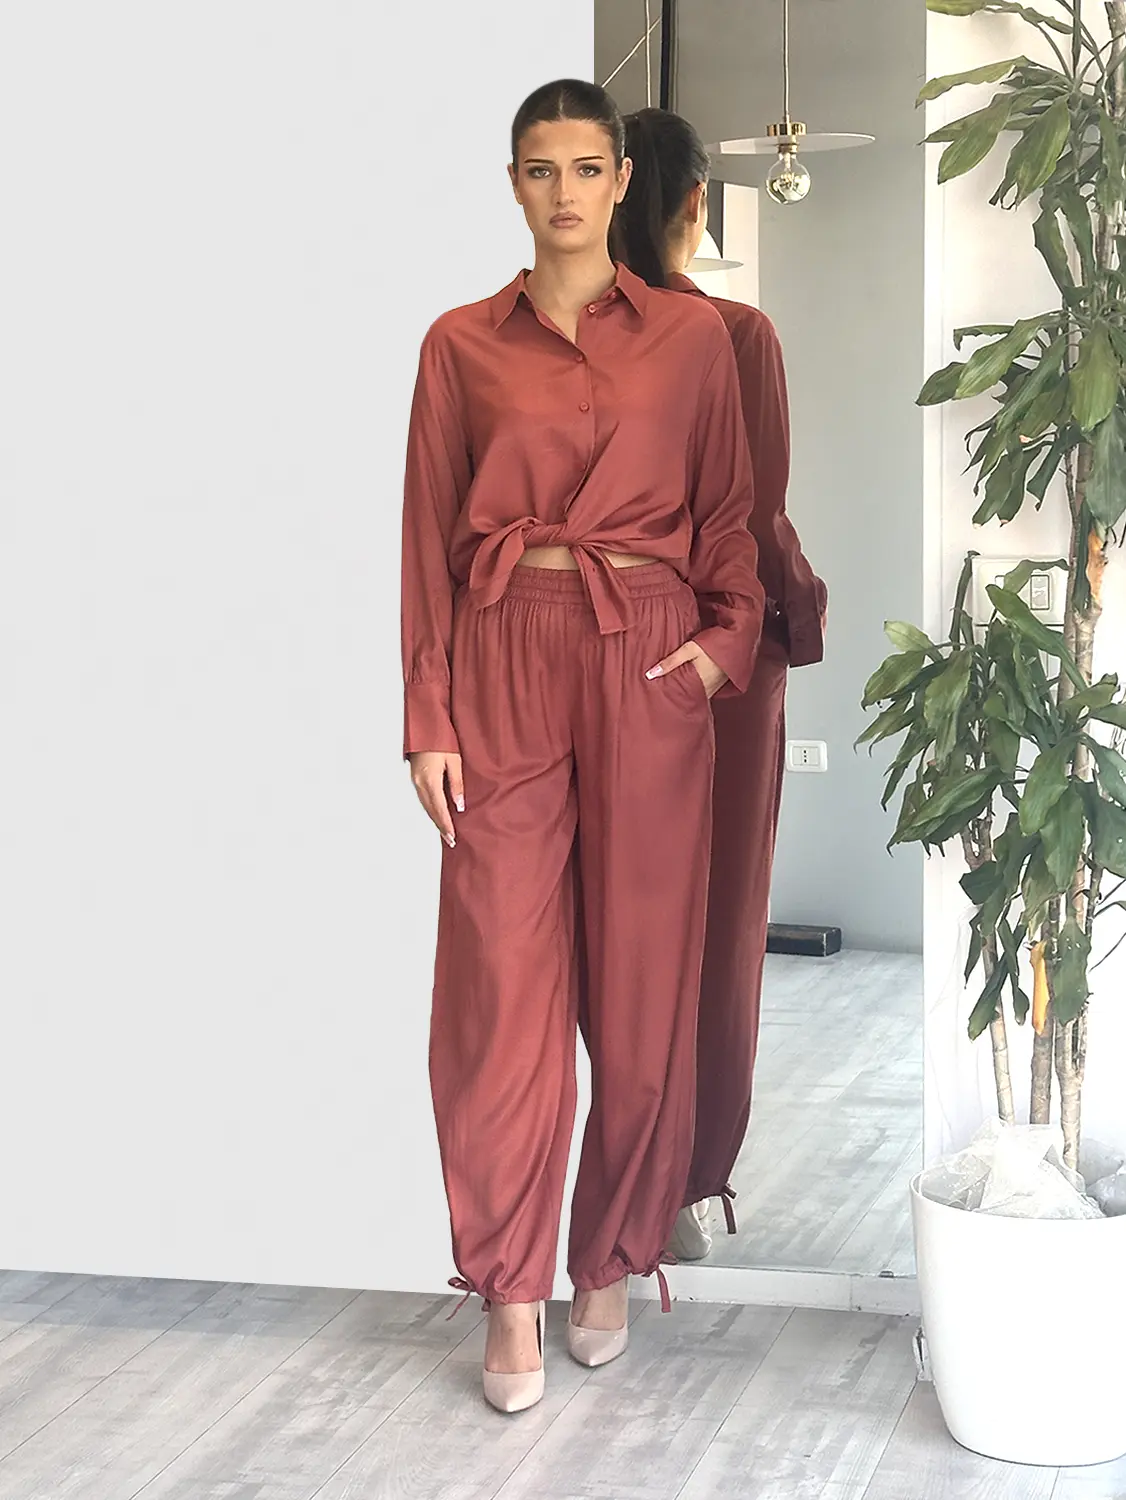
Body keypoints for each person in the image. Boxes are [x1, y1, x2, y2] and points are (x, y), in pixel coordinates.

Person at [400, 79, 764, 1413]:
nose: (563, 191)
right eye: (539, 169)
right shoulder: (457, 344)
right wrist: (428, 718)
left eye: (585, 168)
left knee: (642, 983)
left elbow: (726, 517)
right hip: (503, 646)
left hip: (645, 653)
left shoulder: (692, 341)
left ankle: (609, 1255)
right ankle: (509, 1291)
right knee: (499, 989)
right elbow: (423, 540)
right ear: (514, 184)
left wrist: (719, 647)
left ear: (620, 181)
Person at [613, 107, 827, 1262]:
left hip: (587, 655)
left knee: (600, 915)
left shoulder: (551, 338)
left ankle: (597, 1170)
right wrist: (801, 608)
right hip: (720, 665)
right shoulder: (736, 336)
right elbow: (753, 518)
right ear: (696, 206)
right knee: (715, 919)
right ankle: (681, 1186)